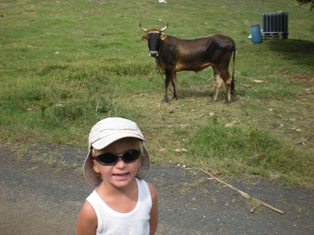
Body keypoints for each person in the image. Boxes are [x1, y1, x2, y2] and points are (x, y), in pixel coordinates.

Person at [76, 117, 158, 235]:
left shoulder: (149, 194)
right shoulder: (92, 211)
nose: (121, 165)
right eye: (108, 158)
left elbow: (150, 229)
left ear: (140, 159)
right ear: (94, 165)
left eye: (130, 155)